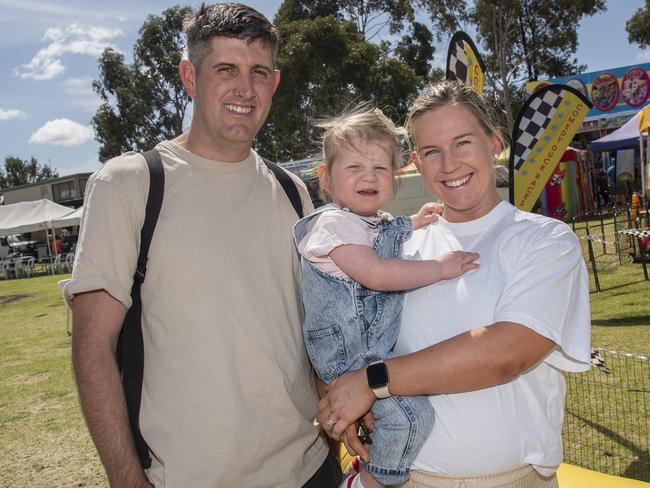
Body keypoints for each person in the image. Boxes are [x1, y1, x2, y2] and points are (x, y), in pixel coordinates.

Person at [66, 4, 337, 487]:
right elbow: (93, 345)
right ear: (190, 77)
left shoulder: (292, 191)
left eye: (259, 72)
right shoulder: (130, 184)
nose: (244, 89)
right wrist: (126, 479)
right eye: (226, 69)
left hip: (308, 469)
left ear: (274, 84)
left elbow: (313, 327)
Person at [317, 81, 591, 488]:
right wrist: (343, 394)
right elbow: (340, 323)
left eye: (462, 143)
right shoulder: (394, 248)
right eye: (431, 151)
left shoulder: (545, 240)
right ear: (415, 162)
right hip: (399, 477)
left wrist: (372, 382)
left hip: (509, 480)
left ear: (494, 142)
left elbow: (505, 353)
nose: (448, 164)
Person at [294, 106, 479, 488]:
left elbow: (382, 232)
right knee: (410, 417)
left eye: (380, 168)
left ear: (394, 177)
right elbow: (376, 274)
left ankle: (370, 469)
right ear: (326, 179)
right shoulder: (330, 225)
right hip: (346, 353)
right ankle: (375, 481)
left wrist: (415, 220)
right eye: (355, 168)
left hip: (370, 350)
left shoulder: (370, 221)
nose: (368, 177)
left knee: (398, 415)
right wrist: (440, 268)